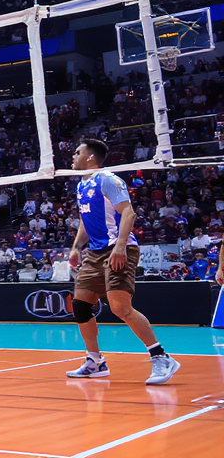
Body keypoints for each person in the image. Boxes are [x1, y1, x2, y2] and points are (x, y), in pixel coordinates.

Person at [64, 138, 181, 384]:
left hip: (120, 248)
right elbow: (86, 221)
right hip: (95, 253)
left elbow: (129, 213)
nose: (72, 157)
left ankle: (161, 357)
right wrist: (76, 247)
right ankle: (95, 361)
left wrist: (119, 247)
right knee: (81, 306)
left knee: (120, 307)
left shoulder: (108, 179)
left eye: (77, 152)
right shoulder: (81, 186)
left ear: (89, 157)